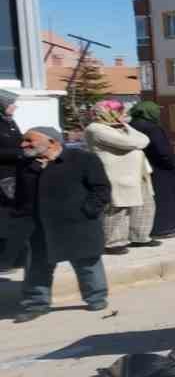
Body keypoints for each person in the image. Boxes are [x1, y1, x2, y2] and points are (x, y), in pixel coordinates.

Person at [11, 127, 112, 321]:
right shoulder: (26, 164)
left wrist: (89, 211)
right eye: (24, 141)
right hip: (39, 226)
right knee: (37, 266)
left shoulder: (83, 159)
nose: (23, 145)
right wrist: (20, 219)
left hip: (78, 223)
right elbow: (20, 196)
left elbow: (101, 189)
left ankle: (96, 297)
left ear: (52, 142)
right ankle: (36, 303)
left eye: (29, 141)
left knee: (87, 263)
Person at [84, 100, 156, 254]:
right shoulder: (95, 129)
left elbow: (144, 139)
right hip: (117, 174)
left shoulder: (119, 126)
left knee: (144, 205)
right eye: (119, 112)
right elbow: (128, 142)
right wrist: (129, 133)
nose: (123, 115)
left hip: (137, 172)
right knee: (119, 208)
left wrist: (125, 126)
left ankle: (139, 237)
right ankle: (113, 242)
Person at [127, 101, 175, 238]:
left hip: (141, 167)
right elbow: (161, 150)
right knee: (165, 198)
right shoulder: (151, 127)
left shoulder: (131, 126)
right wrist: (173, 164)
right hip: (160, 168)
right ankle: (163, 228)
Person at [0, 89, 27, 268]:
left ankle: (18, 257)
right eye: (11, 104)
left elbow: (19, 141)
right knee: (5, 218)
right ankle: (4, 260)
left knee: (16, 216)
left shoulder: (9, 122)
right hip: (3, 178)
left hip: (15, 175)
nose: (15, 107)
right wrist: (19, 154)